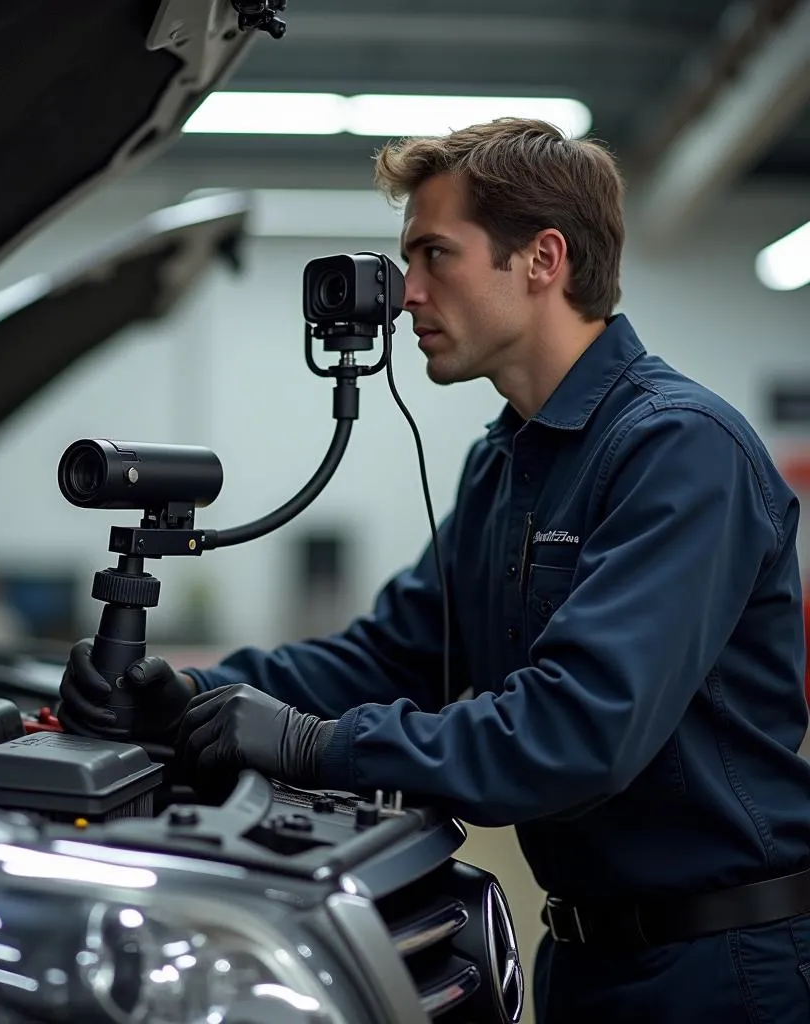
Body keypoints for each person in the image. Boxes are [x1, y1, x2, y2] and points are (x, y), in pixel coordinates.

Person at [58, 117, 810, 1023]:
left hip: (722, 968)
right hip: (586, 958)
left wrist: (314, 745)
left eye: (434, 255)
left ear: (543, 259)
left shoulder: (679, 451)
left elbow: (576, 731)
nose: (406, 293)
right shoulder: (508, 464)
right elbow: (394, 653)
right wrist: (191, 696)